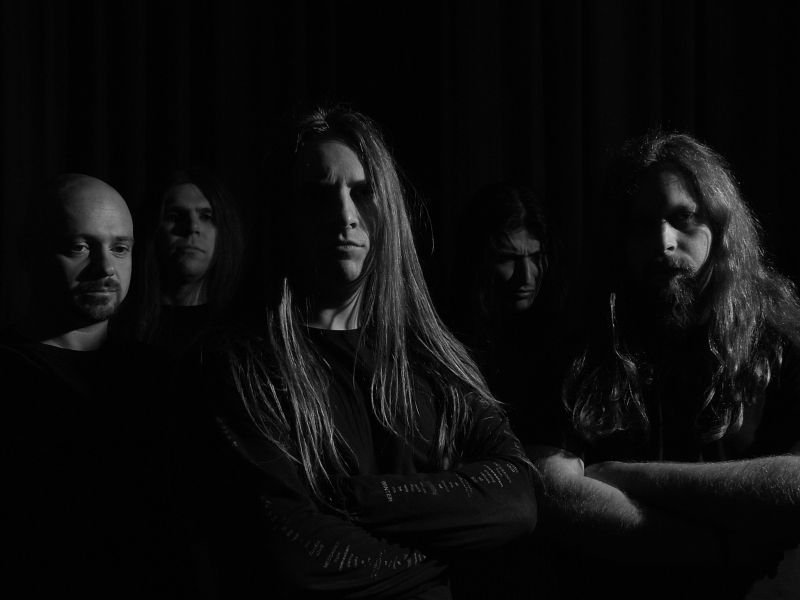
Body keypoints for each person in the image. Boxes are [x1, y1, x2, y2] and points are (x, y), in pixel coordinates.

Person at [179, 106, 539, 599]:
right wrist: (449, 557)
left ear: (388, 208)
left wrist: (349, 501)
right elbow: (294, 558)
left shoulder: (432, 355)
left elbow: (516, 498)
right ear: (286, 215)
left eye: (363, 192)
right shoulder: (239, 364)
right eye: (319, 195)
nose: (345, 216)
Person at [530, 132, 800, 599]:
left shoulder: (776, 340)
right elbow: (551, 489)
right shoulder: (580, 342)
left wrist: (620, 476)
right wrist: (723, 547)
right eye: (642, 225)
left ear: (720, 226)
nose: (663, 242)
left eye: (683, 218)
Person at [1, 173, 197, 597]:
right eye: (80, 247)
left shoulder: (164, 378)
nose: (106, 268)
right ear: (29, 252)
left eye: (120, 248)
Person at [449, 182, 568, 449]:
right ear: (480, 261)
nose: (526, 277)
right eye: (507, 259)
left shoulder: (561, 338)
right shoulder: (453, 343)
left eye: (535, 257)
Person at [132, 167, 245, 359]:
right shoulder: (123, 324)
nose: (192, 227)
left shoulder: (240, 329)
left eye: (206, 217)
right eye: (175, 217)